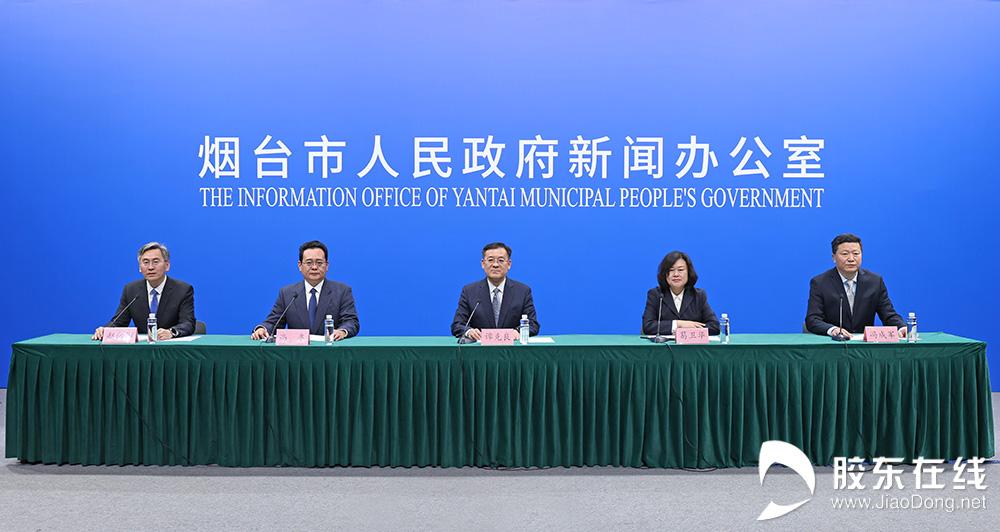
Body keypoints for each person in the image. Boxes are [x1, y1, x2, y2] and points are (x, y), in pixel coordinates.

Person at [251, 240, 359, 340]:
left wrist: (342, 331)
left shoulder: (342, 291)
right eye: (309, 263)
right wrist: (262, 329)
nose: (314, 267)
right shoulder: (287, 293)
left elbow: (351, 321)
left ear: (327, 266)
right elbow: (273, 322)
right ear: (300, 265)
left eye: (319, 263)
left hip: (331, 350)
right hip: (297, 352)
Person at [805, 233, 905, 338]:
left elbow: (888, 315)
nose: (851, 259)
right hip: (834, 343)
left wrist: (901, 327)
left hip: (864, 344)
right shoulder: (820, 283)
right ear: (833, 257)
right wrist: (833, 330)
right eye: (845, 254)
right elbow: (813, 319)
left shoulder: (875, 282)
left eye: (856, 253)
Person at [92, 242, 196, 340]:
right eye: (145, 262)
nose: (150, 267)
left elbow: (188, 323)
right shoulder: (131, 290)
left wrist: (171, 332)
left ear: (167, 265)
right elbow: (118, 322)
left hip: (171, 348)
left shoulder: (182, 290)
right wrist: (106, 330)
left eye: (156, 262)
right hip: (143, 349)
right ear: (140, 268)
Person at [451, 242, 539, 340]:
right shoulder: (469, 291)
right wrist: (469, 331)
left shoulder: (522, 291)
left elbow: (533, 325)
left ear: (509, 264)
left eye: (501, 260)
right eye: (490, 260)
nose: (495, 265)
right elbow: (457, 324)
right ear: (483, 264)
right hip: (480, 348)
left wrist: (518, 331)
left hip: (512, 348)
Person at [641, 250, 720, 336]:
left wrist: (687, 331)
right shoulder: (656, 295)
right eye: (671, 270)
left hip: (691, 344)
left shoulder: (698, 295)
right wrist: (678, 324)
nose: (676, 274)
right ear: (665, 274)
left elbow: (714, 327)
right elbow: (648, 326)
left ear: (689, 273)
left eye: (680, 270)